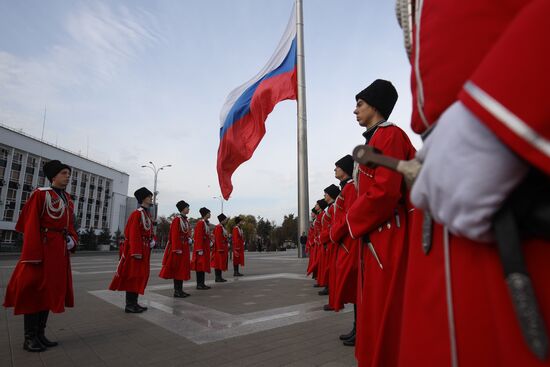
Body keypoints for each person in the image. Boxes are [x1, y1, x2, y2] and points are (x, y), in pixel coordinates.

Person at [395, 1, 550, 366]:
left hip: (522, 177)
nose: (356, 110)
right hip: (456, 209)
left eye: (361, 103)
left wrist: (507, 110)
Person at [346, 79, 416, 367]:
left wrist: (352, 219)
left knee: (386, 304)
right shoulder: (375, 139)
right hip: (376, 234)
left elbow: (386, 191)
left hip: (388, 234)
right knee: (374, 305)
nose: (355, 111)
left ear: (375, 106)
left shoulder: (389, 136)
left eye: (360, 104)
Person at [3, 160, 78, 352]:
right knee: (33, 292)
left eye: (68, 173)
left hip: (59, 251)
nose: (67, 177)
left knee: (48, 292)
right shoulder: (40, 194)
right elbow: (30, 224)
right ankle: (29, 338)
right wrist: (32, 254)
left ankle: (40, 334)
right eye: (64, 173)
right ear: (53, 176)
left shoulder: (68, 198)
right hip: (42, 250)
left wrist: (72, 240)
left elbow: (70, 225)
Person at [109, 187, 155, 313]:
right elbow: (133, 233)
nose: (151, 198)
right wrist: (136, 252)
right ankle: (130, 304)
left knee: (140, 276)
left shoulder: (146, 214)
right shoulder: (137, 214)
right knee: (133, 276)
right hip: (137, 251)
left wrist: (152, 240)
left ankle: (134, 302)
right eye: (149, 196)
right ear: (144, 198)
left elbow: (148, 231)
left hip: (144, 249)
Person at [328, 154, 358, 346]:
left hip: (350, 244)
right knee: (353, 289)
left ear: (345, 169)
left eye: (337, 167)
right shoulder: (346, 188)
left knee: (355, 288)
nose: (335, 170)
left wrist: (333, 233)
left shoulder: (351, 188)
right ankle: (357, 327)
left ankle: (360, 329)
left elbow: (349, 215)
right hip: (345, 243)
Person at [159, 200, 191, 298]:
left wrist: (189, 239)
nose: (188, 209)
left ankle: (180, 290)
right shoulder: (177, 220)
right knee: (177, 269)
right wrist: (176, 248)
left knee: (182, 269)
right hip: (179, 248)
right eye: (187, 207)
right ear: (182, 209)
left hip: (184, 247)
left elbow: (185, 233)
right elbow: (174, 234)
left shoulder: (185, 220)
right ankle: (177, 291)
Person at [318, 184, 340, 303]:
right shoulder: (331, 208)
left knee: (331, 267)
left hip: (331, 240)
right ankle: (328, 286)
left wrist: (325, 237)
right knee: (328, 267)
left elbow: (333, 224)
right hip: (328, 240)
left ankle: (330, 287)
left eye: (326, 193)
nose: (324, 195)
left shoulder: (333, 207)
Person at [191, 207, 212, 290]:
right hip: (201, 249)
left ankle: (202, 283)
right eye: (209, 213)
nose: (210, 214)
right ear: (205, 214)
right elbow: (199, 236)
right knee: (200, 266)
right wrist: (199, 249)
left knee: (203, 266)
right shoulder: (200, 223)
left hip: (205, 248)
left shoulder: (205, 223)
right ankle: (199, 284)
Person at [211, 213, 229, 282]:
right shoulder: (219, 227)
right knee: (218, 263)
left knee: (220, 263)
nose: (226, 221)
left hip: (223, 247)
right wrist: (220, 248)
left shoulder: (222, 227)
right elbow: (218, 239)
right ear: (222, 220)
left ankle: (219, 277)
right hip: (219, 249)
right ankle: (217, 277)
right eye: (225, 219)